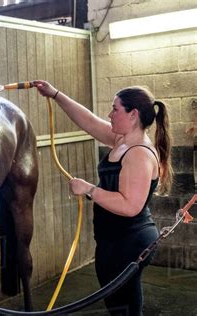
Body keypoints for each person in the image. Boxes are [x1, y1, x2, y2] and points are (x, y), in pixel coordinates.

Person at [35, 80, 173, 315]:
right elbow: (88, 121)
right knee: (120, 304)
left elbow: (130, 206)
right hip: (114, 239)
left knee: (123, 306)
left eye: (115, 109)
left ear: (133, 114)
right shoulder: (121, 140)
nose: (110, 115)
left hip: (129, 241)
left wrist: (89, 189)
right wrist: (56, 94)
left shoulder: (138, 153)